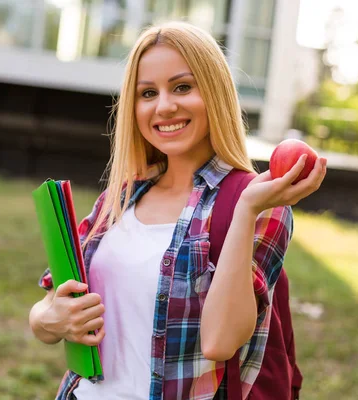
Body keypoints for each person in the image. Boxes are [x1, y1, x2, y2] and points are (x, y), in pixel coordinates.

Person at [29, 21, 327, 400]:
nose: (164, 106)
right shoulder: (120, 198)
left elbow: (220, 342)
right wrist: (49, 319)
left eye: (182, 87)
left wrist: (248, 208)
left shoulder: (258, 203)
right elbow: (47, 309)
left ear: (214, 92)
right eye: (148, 92)